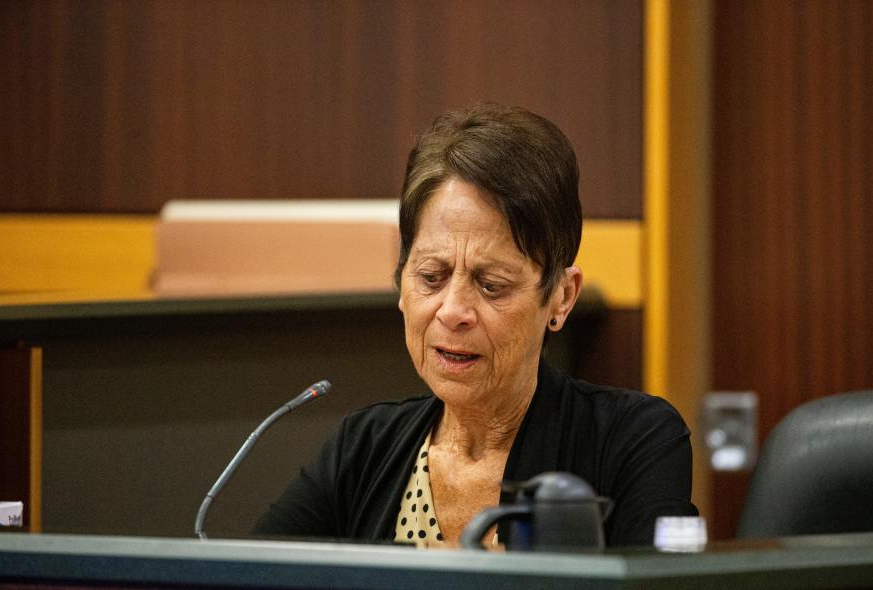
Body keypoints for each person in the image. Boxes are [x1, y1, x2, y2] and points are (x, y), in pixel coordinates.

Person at [253, 103, 697, 547]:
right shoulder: (363, 448)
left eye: (491, 285)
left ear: (562, 296)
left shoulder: (632, 440)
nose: (452, 311)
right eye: (432, 277)